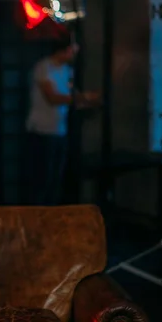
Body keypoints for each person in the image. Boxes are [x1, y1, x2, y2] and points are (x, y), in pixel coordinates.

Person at [24, 38, 99, 205]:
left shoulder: (67, 70)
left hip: (59, 130)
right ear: (62, 50)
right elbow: (53, 98)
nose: (74, 55)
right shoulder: (44, 67)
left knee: (56, 179)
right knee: (42, 178)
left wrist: (87, 101)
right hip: (42, 130)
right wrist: (85, 97)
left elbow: (72, 96)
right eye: (72, 50)